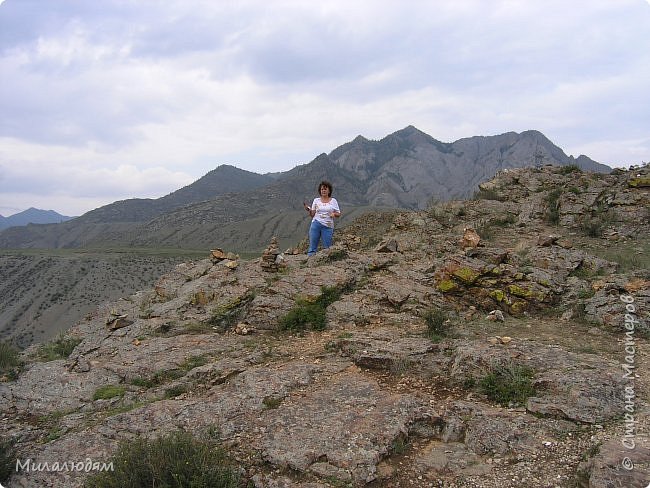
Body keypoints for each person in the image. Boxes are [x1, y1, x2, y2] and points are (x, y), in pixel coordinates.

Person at [304, 180, 341, 256]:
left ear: (329, 190)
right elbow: (312, 215)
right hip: (316, 224)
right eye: (322, 189)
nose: (323, 190)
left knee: (327, 247)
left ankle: (326, 264)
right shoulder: (316, 200)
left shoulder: (333, 201)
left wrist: (334, 214)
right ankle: (310, 263)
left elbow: (338, 213)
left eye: (325, 189)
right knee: (312, 246)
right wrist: (309, 210)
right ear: (320, 191)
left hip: (328, 226)